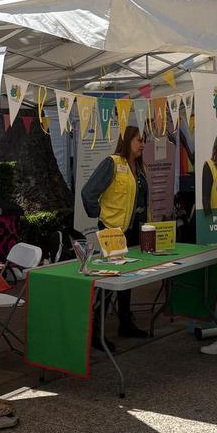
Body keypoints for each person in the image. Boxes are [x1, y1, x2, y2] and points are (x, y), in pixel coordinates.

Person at [81, 125, 149, 344]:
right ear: (128, 140)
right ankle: (96, 332)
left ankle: (125, 323)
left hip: (129, 230)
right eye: (139, 140)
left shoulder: (137, 167)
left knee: (127, 278)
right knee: (109, 280)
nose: (142, 144)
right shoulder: (112, 162)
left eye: (143, 140)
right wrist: (101, 214)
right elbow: (88, 192)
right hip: (111, 230)